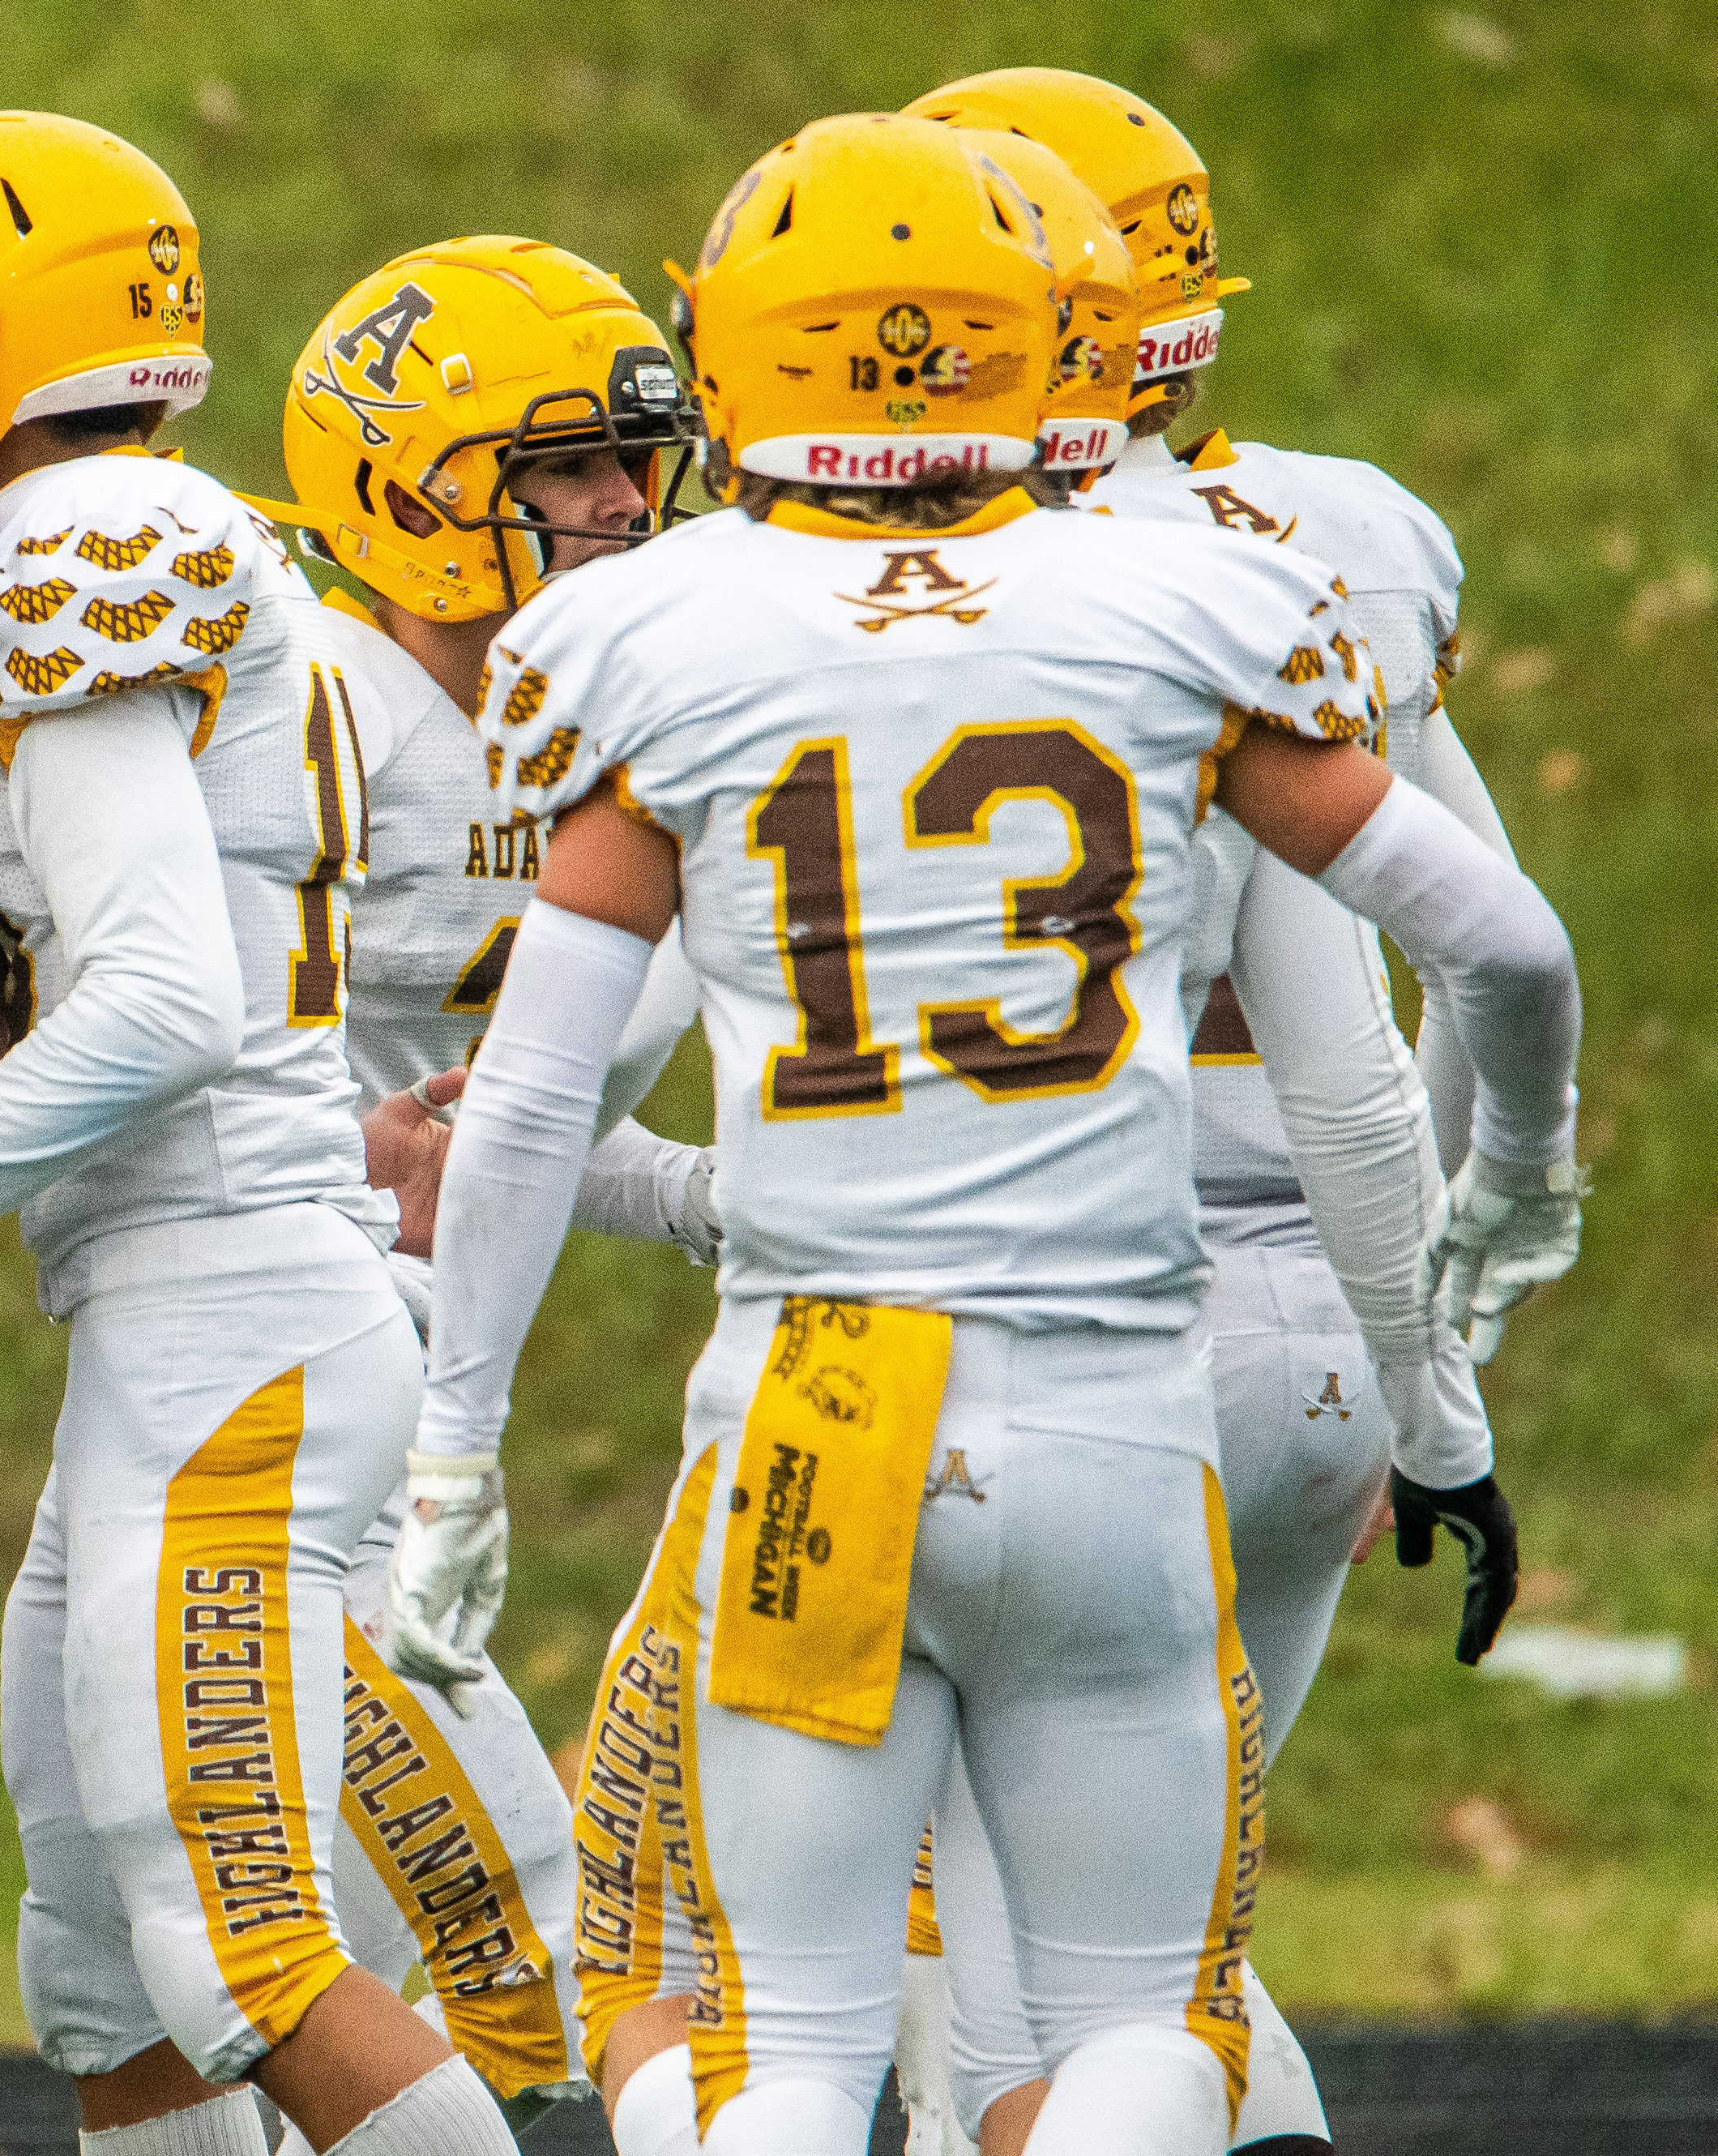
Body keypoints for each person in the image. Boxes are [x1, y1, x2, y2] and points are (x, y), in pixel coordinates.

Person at [385, 112, 1580, 2154]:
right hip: (1118, 1391)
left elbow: (518, 1118)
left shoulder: (655, 638)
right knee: (1133, 2025)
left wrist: (455, 1455)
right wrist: (1520, 1194)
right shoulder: (1189, 604)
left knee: (804, 2038)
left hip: (824, 1396)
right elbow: (1509, 946)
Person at [0, 111, 519, 2156]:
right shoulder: (119, 535)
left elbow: (155, 999)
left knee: (240, 1946)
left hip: (232, 1297)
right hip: (190, 1309)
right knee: (100, 1970)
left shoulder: (68, 548)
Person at [891, 72, 1562, 2156]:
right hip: (1318, 1351)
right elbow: (1480, 948)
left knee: (975, 1986)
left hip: (1057, 1328)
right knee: (1171, 1942)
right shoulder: (1324, 541)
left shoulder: (958, 594)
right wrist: (1431, 1347)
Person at [273, 233, 716, 2137]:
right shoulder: (293, 708)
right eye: (559, 468)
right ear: (407, 482)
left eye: (632, 459)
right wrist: (317, 1155)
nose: (622, 503)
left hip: (419, 1394)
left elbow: (502, 1140)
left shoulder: (641, 703)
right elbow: (46, 1027)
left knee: (277, 1980)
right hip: (265, 1391)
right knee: (559, 1924)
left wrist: (734, 1200)